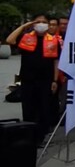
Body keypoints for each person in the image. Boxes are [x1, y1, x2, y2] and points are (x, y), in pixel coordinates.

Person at [6, 14, 60, 146]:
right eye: (38, 22)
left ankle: (40, 137)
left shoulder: (53, 40)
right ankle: (28, 137)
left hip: (45, 80)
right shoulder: (26, 37)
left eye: (44, 22)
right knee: (28, 109)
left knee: (43, 109)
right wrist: (25, 26)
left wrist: (55, 80)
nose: (41, 24)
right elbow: (9, 40)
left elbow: (55, 62)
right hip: (28, 80)